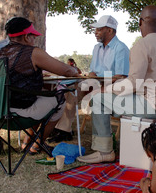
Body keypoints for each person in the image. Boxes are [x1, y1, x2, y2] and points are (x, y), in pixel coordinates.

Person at [77, 5, 156, 164]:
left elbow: (133, 83)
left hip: (151, 106)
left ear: (140, 22)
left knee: (99, 99)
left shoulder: (142, 45)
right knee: (108, 97)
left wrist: (105, 90)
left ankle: (104, 151)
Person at [0, 17, 79, 155]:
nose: (35, 39)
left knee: (40, 95)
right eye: (33, 36)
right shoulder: (33, 52)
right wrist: (75, 71)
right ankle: (37, 144)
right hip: (20, 112)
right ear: (27, 37)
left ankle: (27, 141)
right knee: (59, 99)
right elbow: (66, 70)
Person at [48, 15, 130, 143]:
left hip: (114, 85)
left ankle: (63, 130)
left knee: (78, 90)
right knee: (70, 91)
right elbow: (93, 71)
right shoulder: (96, 48)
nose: (95, 32)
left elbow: (121, 77)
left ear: (110, 30)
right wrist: (89, 79)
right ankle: (64, 129)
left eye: (99, 29)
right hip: (97, 82)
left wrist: (100, 87)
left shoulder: (121, 48)